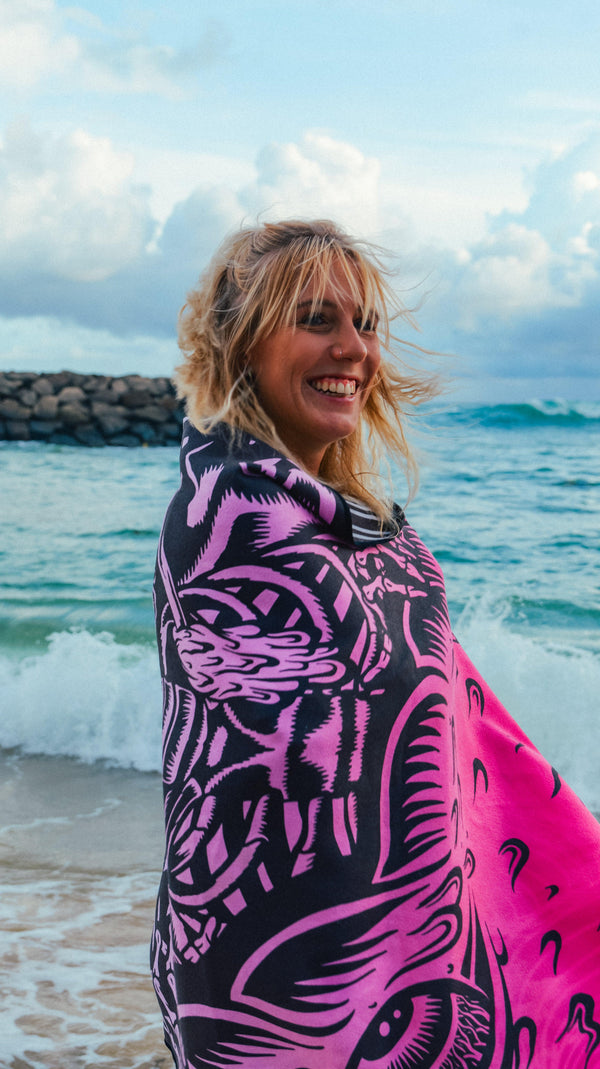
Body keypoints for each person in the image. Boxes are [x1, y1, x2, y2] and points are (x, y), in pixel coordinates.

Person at [151, 219, 600, 1069]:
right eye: (317, 319)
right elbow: (275, 784)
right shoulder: (234, 521)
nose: (353, 348)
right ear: (242, 342)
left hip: (394, 966)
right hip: (291, 987)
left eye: (365, 325)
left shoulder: (354, 524)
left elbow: (451, 725)